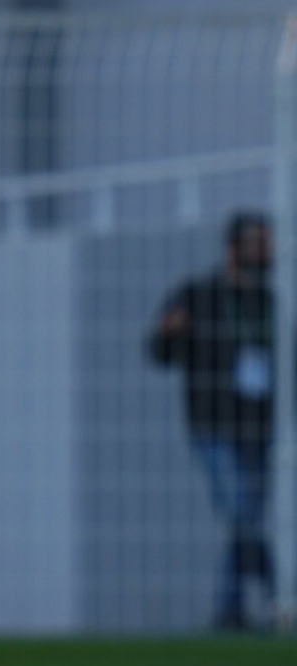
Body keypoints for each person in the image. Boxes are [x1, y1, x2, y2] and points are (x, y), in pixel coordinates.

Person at [148, 210, 276, 631]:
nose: (266, 253)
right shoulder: (197, 295)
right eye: (258, 244)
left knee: (246, 521)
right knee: (241, 512)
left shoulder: (270, 300)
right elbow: (159, 354)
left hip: (259, 429)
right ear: (234, 250)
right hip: (212, 427)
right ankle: (280, 592)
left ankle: (229, 611)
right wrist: (168, 333)